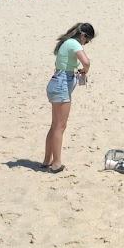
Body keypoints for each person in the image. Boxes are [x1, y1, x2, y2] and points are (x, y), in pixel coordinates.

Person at [43, 22, 95, 173]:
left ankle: (47, 160)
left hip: (56, 81)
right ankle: (56, 163)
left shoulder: (66, 42)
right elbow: (87, 62)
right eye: (88, 40)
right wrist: (85, 71)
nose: (87, 43)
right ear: (83, 35)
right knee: (60, 126)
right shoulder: (74, 43)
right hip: (61, 84)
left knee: (55, 125)